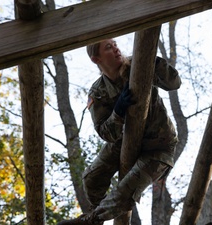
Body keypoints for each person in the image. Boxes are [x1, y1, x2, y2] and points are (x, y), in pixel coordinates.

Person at [57, 38, 181, 225]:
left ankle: (90, 220)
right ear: (96, 59)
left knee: (125, 191)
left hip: (159, 147)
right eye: (108, 47)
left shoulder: (138, 65)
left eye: (115, 44)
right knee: (91, 179)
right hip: (124, 141)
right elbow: (106, 133)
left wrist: (155, 62)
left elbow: (175, 83)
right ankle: (103, 214)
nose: (115, 49)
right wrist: (118, 112)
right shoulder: (98, 92)